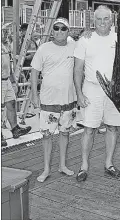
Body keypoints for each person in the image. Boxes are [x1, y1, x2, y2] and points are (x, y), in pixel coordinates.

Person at [74, 5, 120, 182]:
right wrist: (79, 93)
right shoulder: (84, 39)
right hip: (91, 88)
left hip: (113, 90)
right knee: (89, 129)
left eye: (106, 19)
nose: (102, 22)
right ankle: (84, 165)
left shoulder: (119, 39)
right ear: (93, 21)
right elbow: (78, 70)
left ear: (112, 20)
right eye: (99, 19)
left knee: (112, 127)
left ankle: (108, 163)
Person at [31, 18, 77, 182]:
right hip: (48, 101)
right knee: (46, 136)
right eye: (56, 28)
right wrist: (34, 96)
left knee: (65, 134)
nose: (59, 31)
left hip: (69, 100)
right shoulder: (43, 49)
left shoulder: (74, 45)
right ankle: (46, 169)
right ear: (52, 31)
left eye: (63, 29)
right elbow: (34, 73)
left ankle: (62, 165)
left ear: (68, 31)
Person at [1, 33, 31, 147]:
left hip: (6, 79)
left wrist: (13, 81)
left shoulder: (4, 46)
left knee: (11, 103)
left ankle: (15, 129)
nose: (5, 34)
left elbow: (8, 65)